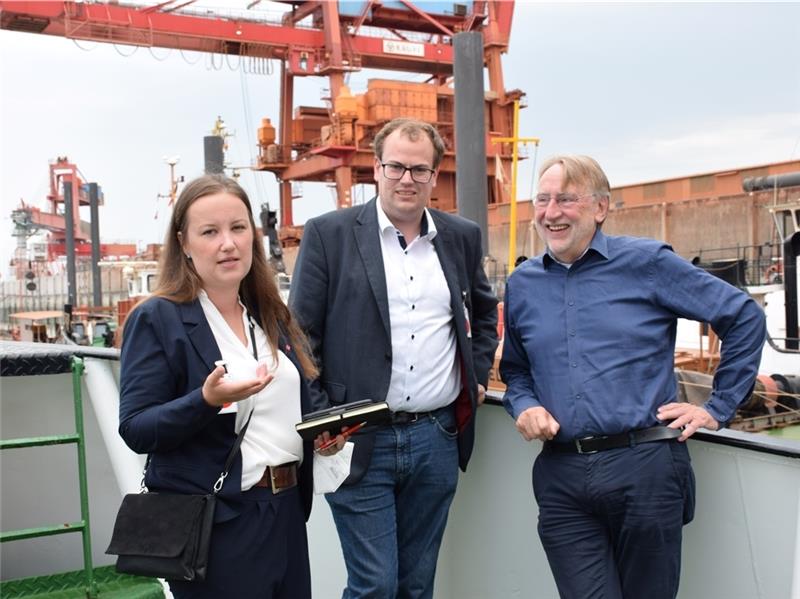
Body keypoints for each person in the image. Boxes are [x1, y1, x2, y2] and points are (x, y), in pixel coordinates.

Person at [500, 155, 766, 599]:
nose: (551, 212)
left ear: (600, 207)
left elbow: (743, 317)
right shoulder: (523, 283)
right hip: (562, 476)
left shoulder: (647, 263)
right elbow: (516, 369)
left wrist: (717, 408)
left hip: (645, 468)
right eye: (542, 200)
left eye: (566, 199)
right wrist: (524, 404)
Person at [289, 117, 498, 599]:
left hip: (436, 437)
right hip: (358, 438)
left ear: (434, 175)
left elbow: (485, 312)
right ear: (377, 168)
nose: (407, 179)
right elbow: (299, 335)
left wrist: (478, 371)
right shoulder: (329, 234)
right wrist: (322, 420)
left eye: (419, 170)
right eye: (396, 167)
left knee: (416, 584)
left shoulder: (460, 236)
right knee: (375, 585)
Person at [118, 174, 342, 599]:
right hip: (218, 521)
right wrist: (206, 400)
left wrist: (323, 437)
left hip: (287, 511)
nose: (228, 243)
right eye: (210, 232)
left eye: (238, 228)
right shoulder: (158, 318)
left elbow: (287, 412)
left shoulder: (269, 314)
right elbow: (136, 428)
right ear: (183, 243)